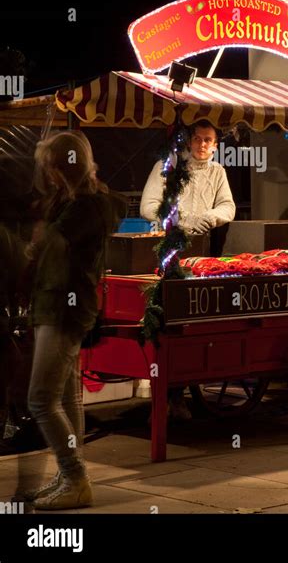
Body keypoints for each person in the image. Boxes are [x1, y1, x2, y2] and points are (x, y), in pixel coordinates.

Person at [24, 131, 125, 510]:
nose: (47, 173)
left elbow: (48, 251)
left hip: (64, 309)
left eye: (50, 165)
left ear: (64, 165)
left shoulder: (84, 207)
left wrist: (33, 246)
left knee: (40, 399)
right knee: (66, 398)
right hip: (62, 306)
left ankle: (75, 477)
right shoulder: (78, 201)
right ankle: (70, 475)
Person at [140, 120, 236, 419]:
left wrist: (212, 216)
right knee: (168, 320)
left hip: (202, 256)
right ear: (188, 141)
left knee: (192, 325)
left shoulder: (218, 172)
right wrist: (176, 221)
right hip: (168, 253)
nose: (202, 145)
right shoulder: (167, 167)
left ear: (216, 145)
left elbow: (228, 207)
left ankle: (179, 393)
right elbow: (148, 206)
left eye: (208, 140)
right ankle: (164, 393)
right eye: (197, 138)